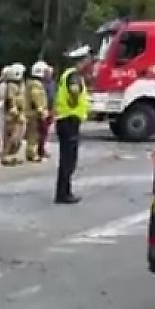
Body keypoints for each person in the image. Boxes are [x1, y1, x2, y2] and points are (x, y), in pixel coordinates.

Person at [54, 46, 92, 204]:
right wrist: (74, 102)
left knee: (66, 159)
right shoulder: (74, 75)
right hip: (70, 120)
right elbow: (74, 91)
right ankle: (63, 194)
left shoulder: (68, 74)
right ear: (81, 61)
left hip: (65, 120)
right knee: (68, 160)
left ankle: (64, 191)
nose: (89, 62)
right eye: (87, 59)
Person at [0, 63, 26, 166]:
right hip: (13, 116)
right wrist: (13, 108)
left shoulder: (20, 85)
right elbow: (11, 99)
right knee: (12, 137)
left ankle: (13, 156)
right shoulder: (11, 86)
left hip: (19, 114)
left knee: (18, 137)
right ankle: (7, 156)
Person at [24, 61, 50, 163]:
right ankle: (32, 154)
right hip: (33, 114)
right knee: (33, 135)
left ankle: (33, 153)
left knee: (34, 134)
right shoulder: (36, 85)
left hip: (32, 113)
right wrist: (41, 110)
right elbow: (36, 98)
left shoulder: (31, 83)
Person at [38, 64, 56, 159]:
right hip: (44, 108)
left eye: (50, 73)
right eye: (47, 73)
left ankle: (43, 149)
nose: (49, 75)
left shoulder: (52, 83)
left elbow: (53, 97)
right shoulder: (41, 84)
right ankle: (40, 150)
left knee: (47, 131)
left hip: (51, 109)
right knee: (42, 131)